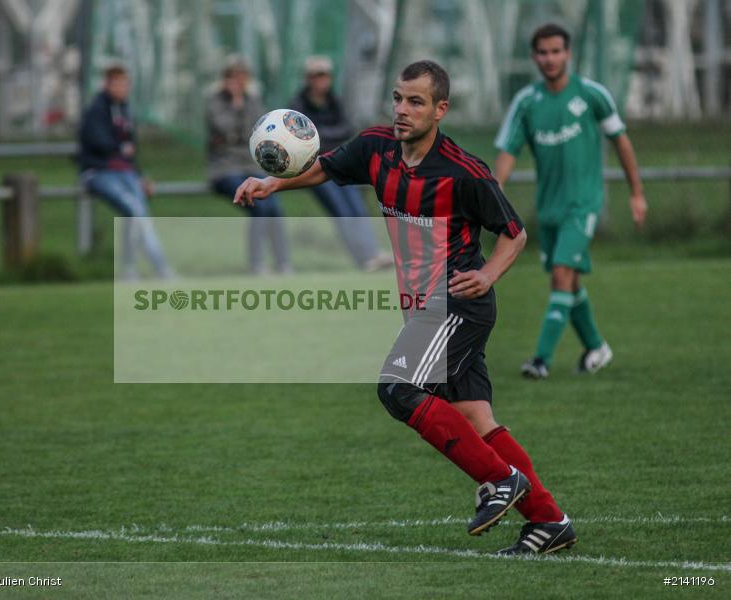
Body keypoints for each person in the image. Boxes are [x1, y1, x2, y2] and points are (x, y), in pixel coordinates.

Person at [235, 60, 576, 555]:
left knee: (397, 388)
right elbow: (325, 168)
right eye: (398, 98)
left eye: (415, 102)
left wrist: (488, 273)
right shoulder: (377, 148)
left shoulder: (464, 171)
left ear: (441, 109)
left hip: (456, 303)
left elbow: (514, 234)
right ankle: (549, 521)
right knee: (476, 418)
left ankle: (502, 479)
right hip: (423, 309)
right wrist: (271, 184)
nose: (402, 110)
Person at [494, 23, 647, 379]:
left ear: (568, 54)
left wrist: (637, 192)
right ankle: (596, 347)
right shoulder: (527, 102)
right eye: (542, 52)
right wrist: (495, 193)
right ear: (534, 57)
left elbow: (621, 141)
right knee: (570, 282)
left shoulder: (592, 94)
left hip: (583, 204)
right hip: (549, 207)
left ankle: (541, 360)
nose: (549, 58)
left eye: (555, 51)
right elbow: (507, 151)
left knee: (562, 274)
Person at [288, 56, 393, 271]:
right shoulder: (297, 106)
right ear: (308, 79)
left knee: (357, 208)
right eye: (317, 75)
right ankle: (363, 258)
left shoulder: (335, 101)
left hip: (340, 162)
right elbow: (302, 137)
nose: (321, 80)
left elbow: (346, 129)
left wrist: (320, 134)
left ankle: (372, 252)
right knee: (341, 210)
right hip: (314, 166)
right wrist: (324, 137)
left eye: (324, 75)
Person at [77, 66, 173, 280]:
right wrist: (119, 148)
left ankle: (131, 270)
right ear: (107, 85)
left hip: (126, 173)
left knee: (138, 215)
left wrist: (140, 176)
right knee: (134, 210)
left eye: (125, 83)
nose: (122, 88)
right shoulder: (96, 110)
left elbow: (130, 152)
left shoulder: (125, 110)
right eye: (117, 83)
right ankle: (162, 270)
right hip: (99, 172)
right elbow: (99, 142)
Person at [207, 55, 291, 275]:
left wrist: (239, 116)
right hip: (224, 170)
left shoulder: (253, 100)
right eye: (232, 77)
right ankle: (257, 264)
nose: (237, 81)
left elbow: (254, 132)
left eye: (241, 76)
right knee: (259, 206)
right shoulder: (215, 100)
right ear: (225, 79)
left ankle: (283, 263)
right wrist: (235, 105)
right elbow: (223, 129)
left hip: (250, 166)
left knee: (275, 208)